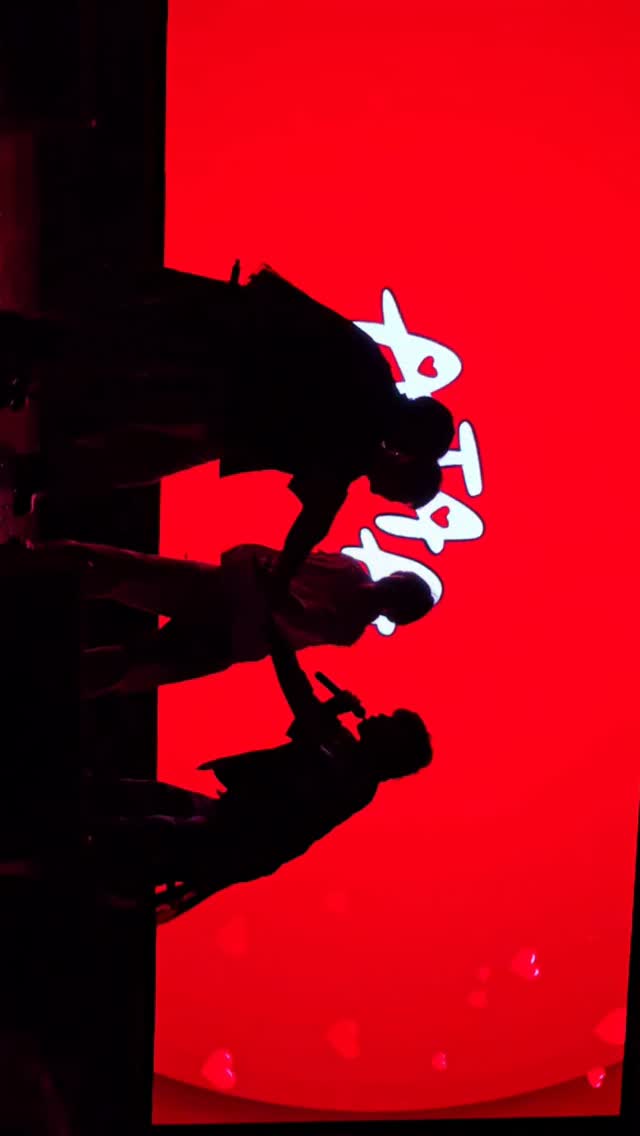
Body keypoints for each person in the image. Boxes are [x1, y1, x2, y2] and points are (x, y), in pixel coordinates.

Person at [11, 266, 454, 586]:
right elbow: (317, 513)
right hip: (226, 406)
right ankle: (33, 399)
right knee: (130, 412)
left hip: (228, 351)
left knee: (126, 359)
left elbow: (301, 317)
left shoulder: (371, 370)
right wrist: (285, 573)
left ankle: (29, 354)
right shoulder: (360, 432)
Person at [85, 626, 433, 921]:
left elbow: (302, 712)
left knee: (143, 833)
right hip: (231, 823)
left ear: (391, 748)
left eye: (391, 723)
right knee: (133, 800)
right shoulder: (347, 757)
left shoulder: (355, 777)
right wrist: (325, 709)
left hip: (238, 840)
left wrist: (283, 644)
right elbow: (304, 715)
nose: (381, 717)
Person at [14, 539, 434, 696]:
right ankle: (33, 571)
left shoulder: (349, 612)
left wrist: (263, 573)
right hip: (229, 613)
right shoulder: (349, 591)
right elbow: (292, 595)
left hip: (228, 616)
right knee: (125, 583)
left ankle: (31, 571)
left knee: (129, 638)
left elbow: (293, 602)